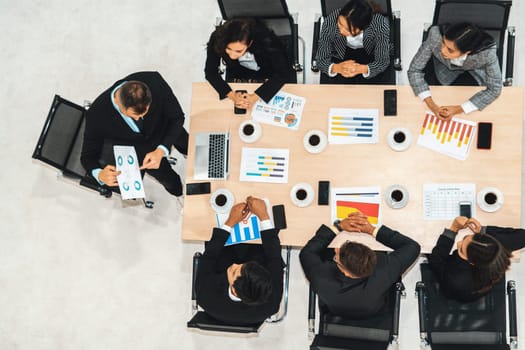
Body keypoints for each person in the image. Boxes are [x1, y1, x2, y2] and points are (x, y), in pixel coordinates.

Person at [81, 71, 188, 197]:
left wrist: (162, 149)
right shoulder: (96, 115)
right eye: (134, 115)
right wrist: (98, 173)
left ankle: (188, 154)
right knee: (167, 179)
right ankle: (180, 194)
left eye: (144, 112)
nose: (139, 119)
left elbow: (177, 118)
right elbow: (87, 157)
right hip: (141, 151)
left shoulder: (154, 81)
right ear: (118, 104)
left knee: (187, 144)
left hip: (164, 127)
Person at [300, 212, 420, 318]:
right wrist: (371, 230)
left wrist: (339, 226)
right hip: (373, 310)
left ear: (346, 272)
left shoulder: (322, 279)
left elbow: (307, 253)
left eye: (337, 257)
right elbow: (413, 247)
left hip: (340, 307)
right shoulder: (383, 272)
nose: (336, 249)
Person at [195, 196, 284, 324]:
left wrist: (230, 222)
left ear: (234, 290)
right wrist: (263, 216)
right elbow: (274, 258)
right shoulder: (271, 302)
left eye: (234, 272)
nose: (235, 264)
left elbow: (209, 256)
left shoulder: (205, 296)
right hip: (258, 255)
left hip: (222, 254)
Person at [408, 22, 502, 120]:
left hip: (471, 72)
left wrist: (459, 109)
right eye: (443, 43)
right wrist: (433, 107)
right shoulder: (435, 36)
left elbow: (494, 88)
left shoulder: (486, 53)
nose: (443, 50)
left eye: (450, 50)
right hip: (441, 69)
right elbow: (414, 70)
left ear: (467, 52)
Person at [205, 17, 296, 111]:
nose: (232, 55)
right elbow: (210, 72)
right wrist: (232, 96)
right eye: (228, 49)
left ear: (250, 43)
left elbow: (282, 74)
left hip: (269, 73)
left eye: (238, 51)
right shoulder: (217, 38)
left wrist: (254, 97)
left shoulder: (266, 40)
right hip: (238, 74)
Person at [428, 216, 525, 302]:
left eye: (461, 250)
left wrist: (453, 229)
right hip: (481, 283)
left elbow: (435, 260)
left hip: (455, 289)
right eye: (466, 237)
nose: (458, 243)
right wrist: (481, 230)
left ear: (472, 262)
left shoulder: (454, 280)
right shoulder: (493, 251)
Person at [315, 0, 391, 84]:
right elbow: (321, 59)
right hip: (339, 54)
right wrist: (337, 68)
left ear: (363, 27)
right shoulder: (331, 20)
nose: (341, 31)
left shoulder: (379, 25)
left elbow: (382, 61)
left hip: (371, 54)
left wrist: (361, 69)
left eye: (347, 29)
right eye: (340, 24)